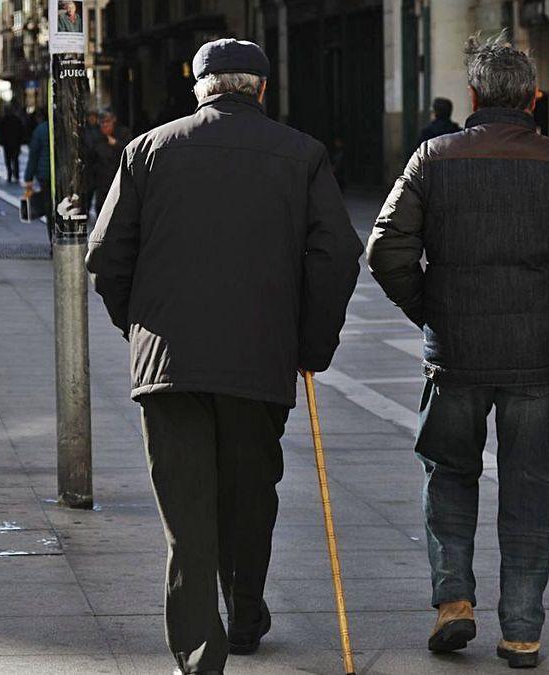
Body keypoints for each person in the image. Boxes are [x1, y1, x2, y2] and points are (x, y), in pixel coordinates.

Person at [85, 38, 362, 675]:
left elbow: (106, 258)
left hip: (169, 364)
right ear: (261, 90)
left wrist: (139, 329)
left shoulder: (148, 151)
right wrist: (311, 346)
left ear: (200, 89)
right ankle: (243, 612)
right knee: (249, 492)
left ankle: (199, 652)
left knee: (186, 506)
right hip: (259, 359)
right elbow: (337, 257)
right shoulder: (303, 155)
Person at [366, 33, 549, 669]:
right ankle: (522, 631)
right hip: (535, 360)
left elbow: (385, 251)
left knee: (449, 474)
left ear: (475, 95)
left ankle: (454, 599)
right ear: (533, 98)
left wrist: (430, 309)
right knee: (531, 488)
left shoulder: (434, 157)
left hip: (454, 353)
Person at [85, 110, 131, 214]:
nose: (105, 125)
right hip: (102, 183)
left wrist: (116, 144)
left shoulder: (123, 133)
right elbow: (91, 160)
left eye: (107, 122)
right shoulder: (96, 138)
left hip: (119, 180)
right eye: (102, 123)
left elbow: (129, 152)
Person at [23, 109, 52, 248]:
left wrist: (28, 177)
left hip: (45, 175)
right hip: (61, 175)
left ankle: (53, 240)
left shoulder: (40, 130)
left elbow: (33, 155)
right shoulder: (64, 126)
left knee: (49, 207)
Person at [0, 103, 27, 183]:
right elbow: (21, 131)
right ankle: (15, 174)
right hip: (15, 143)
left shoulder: (5, 120)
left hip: (8, 143)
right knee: (15, 159)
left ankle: (10, 174)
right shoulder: (16, 120)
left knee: (8, 160)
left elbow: (2, 132)